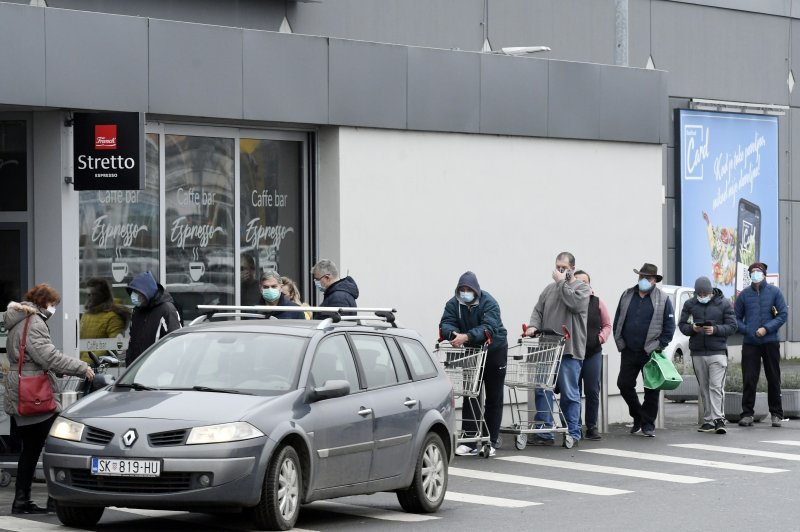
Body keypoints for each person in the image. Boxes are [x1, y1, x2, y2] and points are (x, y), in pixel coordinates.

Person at [3, 284, 95, 514]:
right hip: (33, 394)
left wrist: (57, 371)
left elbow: (34, 358)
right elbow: (49, 356)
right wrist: (81, 367)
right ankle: (56, 498)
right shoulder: (33, 322)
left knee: (31, 449)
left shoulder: (19, 320)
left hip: (21, 389)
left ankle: (22, 501)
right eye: (54, 304)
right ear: (45, 303)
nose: (54, 309)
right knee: (57, 440)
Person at [523, 252, 591, 447]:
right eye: (557, 266)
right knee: (541, 390)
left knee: (569, 394)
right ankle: (544, 431)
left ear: (572, 269)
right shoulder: (548, 290)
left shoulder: (582, 288)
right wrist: (533, 326)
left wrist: (562, 282)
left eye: (564, 267)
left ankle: (573, 432)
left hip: (569, 349)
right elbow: (538, 310)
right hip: (547, 348)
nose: (559, 270)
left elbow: (575, 304)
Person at [440, 271, 507, 457]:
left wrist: (467, 336)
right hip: (472, 351)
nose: (465, 292)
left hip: (494, 350)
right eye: (462, 289)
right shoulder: (454, 304)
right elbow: (446, 322)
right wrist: (453, 334)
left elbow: (489, 327)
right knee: (471, 394)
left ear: (476, 290)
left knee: (494, 396)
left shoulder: (489, 303)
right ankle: (469, 439)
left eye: (468, 289)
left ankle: (490, 440)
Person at [613, 263, 675, 437]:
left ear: (655, 280)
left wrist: (659, 346)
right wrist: (620, 342)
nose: (644, 280)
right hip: (629, 350)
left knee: (652, 389)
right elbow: (618, 320)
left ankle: (648, 424)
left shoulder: (662, 299)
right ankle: (638, 415)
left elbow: (669, 327)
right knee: (624, 385)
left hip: (650, 352)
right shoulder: (626, 295)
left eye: (648, 278)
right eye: (641, 277)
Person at [678, 276, 737, 434]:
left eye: (706, 294)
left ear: (711, 292)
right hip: (697, 352)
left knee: (716, 387)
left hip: (717, 352)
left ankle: (719, 419)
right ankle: (708, 420)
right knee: (704, 387)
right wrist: (693, 329)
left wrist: (715, 329)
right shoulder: (690, 304)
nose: (703, 297)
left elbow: (732, 326)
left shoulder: (724, 303)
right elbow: (682, 325)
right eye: (700, 294)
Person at [734, 262, 789, 428]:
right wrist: (749, 331)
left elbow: (783, 315)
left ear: (764, 274)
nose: (755, 274)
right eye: (752, 272)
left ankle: (776, 414)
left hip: (770, 341)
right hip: (751, 342)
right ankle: (747, 414)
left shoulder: (774, 292)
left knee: (773, 377)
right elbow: (735, 319)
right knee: (749, 378)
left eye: (758, 271)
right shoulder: (744, 295)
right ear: (749, 275)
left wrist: (766, 329)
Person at [573, 270, 612, 441]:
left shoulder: (597, 303)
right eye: (579, 281)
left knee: (592, 390)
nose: (582, 284)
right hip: (574, 353)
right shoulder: (570, 302)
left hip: (593, 353)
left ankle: (591, 426)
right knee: (574, 391)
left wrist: (600, 338)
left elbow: (607, 324)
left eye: (585, 281)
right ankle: (575, 427)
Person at [125, 272, 182, 366]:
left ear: (146, 292)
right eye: (132, 292)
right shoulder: (137, 311)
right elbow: (132, 343)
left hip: (159, 371)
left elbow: (176, 344)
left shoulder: (167, 310)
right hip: (137, 370)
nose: (133, 296)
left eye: (137, 292)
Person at [79, 278, 131, 364]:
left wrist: (88, 361)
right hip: (82, 365)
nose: (90, 297)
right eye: (88, 294)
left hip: (99, 367)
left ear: (102, 295)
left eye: (93, 294)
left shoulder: (113, 317)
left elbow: (114, 347)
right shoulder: (87, 314)